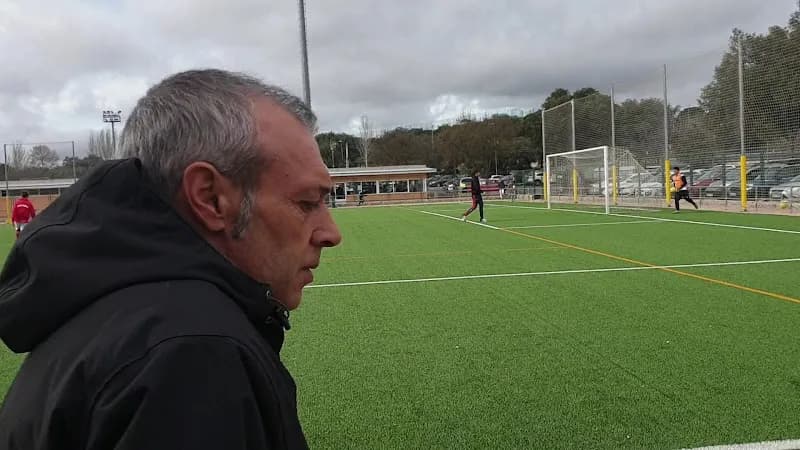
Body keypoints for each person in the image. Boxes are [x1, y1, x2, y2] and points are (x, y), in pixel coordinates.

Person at [0, 69, 341, 449]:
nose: (331, 233)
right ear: (210, 198)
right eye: (307, 203)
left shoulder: (114, 310)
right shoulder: (191, 355)